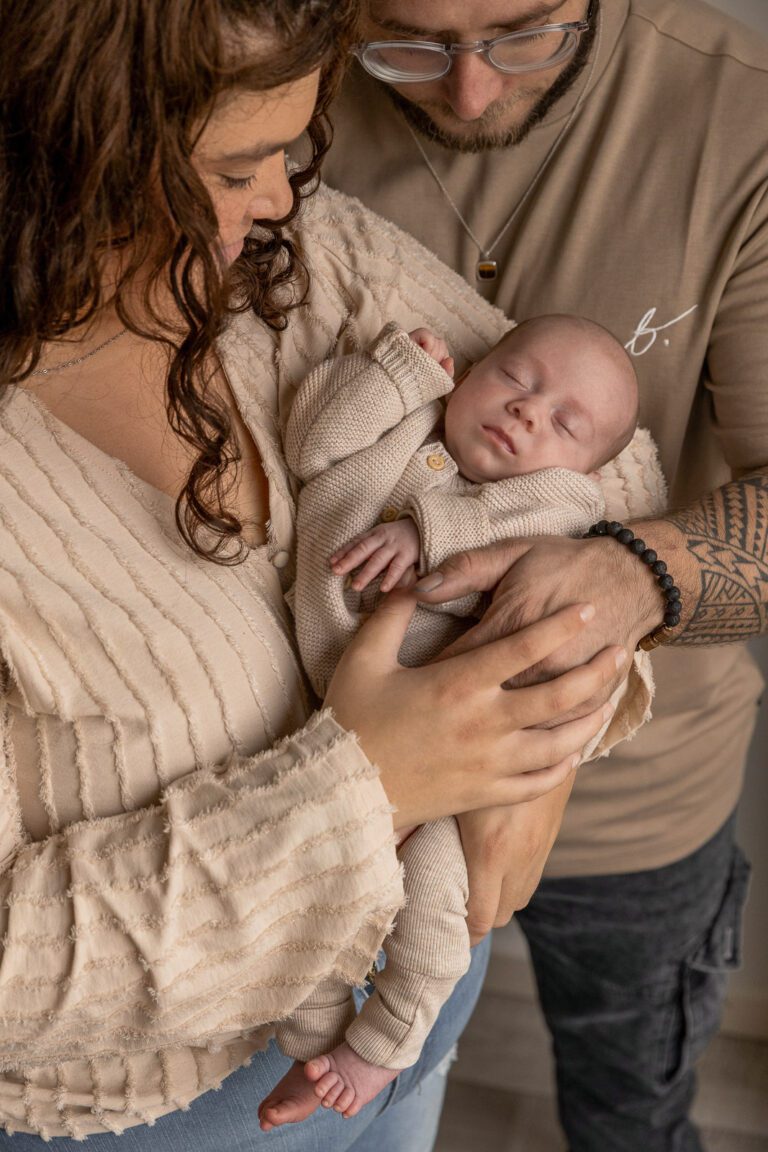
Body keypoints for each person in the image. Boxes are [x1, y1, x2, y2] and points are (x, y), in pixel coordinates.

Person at [0, 2, 627, 1147]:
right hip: (164, 1111)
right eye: (240, 164)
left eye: (289, 152)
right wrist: (378, 780)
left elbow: (602, 464)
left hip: (418, 1012)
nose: (287, 195)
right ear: (59, 150)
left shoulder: (299, 251)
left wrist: (535, 750)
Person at [320, 1, 768, 1148]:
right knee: (373, 1079)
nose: (469, 92)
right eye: (406, 43)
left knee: (631, 1113)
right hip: (350, 787)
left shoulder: (741, 115)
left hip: (638, 816)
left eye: (527, 34)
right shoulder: (276, 75)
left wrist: (622, 575)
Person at [258, 311, 660, 1131]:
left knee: (440, 893)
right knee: (307, 888)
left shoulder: (562, 506)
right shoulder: (405, 424)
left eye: (563, 422)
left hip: (456, 768)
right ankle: (311, 1035)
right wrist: (400, 375)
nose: (526, 412)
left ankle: (383, 1044)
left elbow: (538, 535)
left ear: (587, 465)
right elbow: (312, 447)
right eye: (516, 378)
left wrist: (429, 532)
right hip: (323, 723)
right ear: (472, 371)